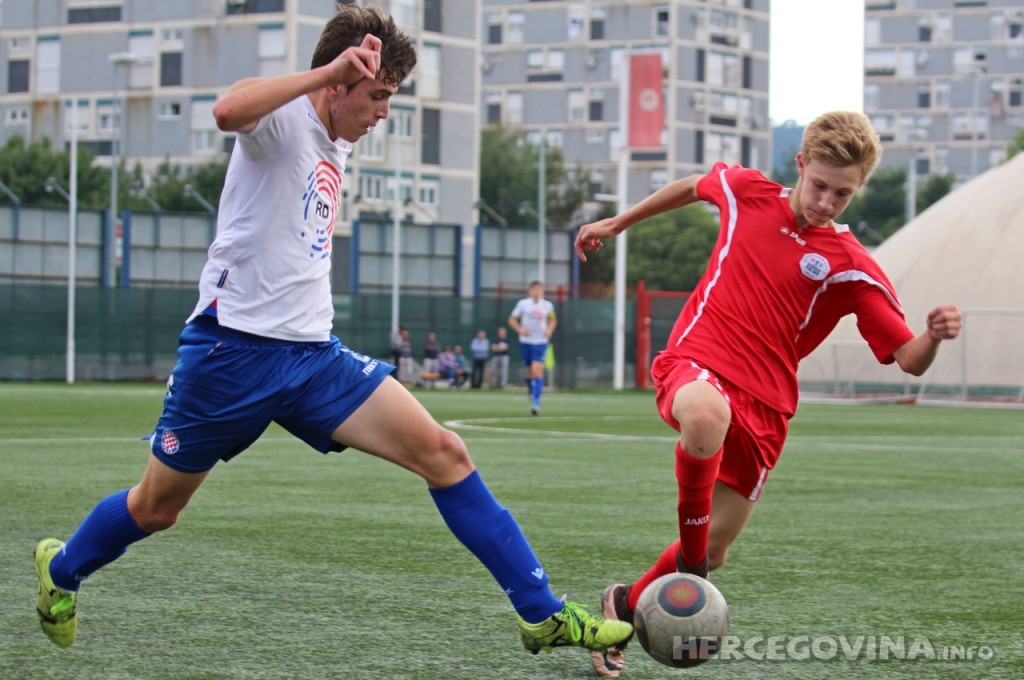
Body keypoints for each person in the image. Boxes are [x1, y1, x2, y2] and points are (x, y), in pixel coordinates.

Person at [31, 5, 632, 661]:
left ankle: (540, 614)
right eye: (375, 96)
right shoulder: (283, 120)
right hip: (230, 353)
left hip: (314, 359)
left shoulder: (338, 139)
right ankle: (62, 573)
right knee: (156, 508)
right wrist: (325, 69)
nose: (381, 113)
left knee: (445, 453)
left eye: (388, 99)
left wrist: (352, 82)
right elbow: (227, 111)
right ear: (335, 82)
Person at [574, 111, 962, 677]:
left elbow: (908, 358)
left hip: (768, 407)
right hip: (696, 360)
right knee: (706, 418)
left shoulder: (852, 267)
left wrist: (932, 335)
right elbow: (691, 185)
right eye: (820, 185)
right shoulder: (746, 190)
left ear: (858, 190)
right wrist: (619, 222)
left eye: (843, 194)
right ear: (801, 165)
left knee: (718, 547)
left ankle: (625, 606)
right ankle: (693, 573)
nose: (827, 201)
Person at [508, 281, 556, 415]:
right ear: (530, 291)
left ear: (542, 291)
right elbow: (512, 319)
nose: (536, 291)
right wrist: (520, 329)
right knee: (528, 372)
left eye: (538, 289)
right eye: (533, 289)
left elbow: (552, 319)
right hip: (526, 341)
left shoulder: (547, 305)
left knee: (537, 371)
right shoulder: (523, 304)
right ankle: (531, 388)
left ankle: (536, 403)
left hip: (540, 341)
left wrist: (550, 330)